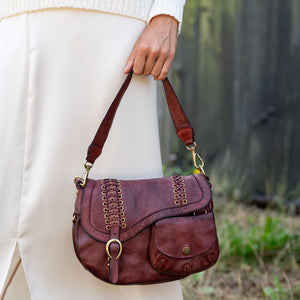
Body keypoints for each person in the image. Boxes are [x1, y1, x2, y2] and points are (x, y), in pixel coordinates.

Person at [0, 1, 185, 299]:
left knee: (118, 210)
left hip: (118, 30)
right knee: (10, 202)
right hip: (13, 22)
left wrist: (167, 14)